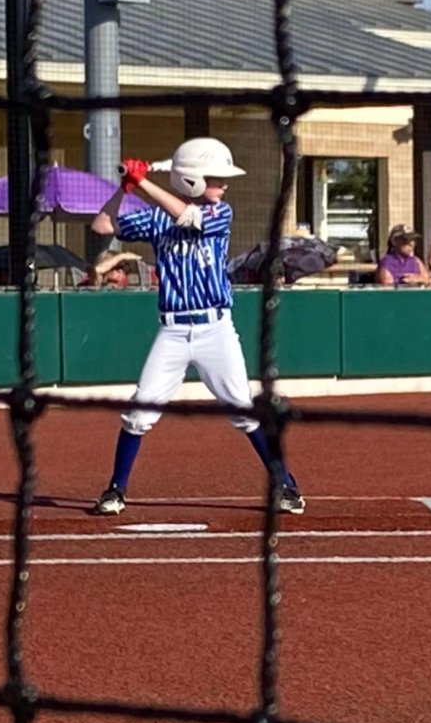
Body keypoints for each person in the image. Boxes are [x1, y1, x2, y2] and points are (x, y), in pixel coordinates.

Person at [89, 136, 305, 517]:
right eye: (215, 178)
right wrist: (123, 189)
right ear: (192, 180)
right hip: (172, 330)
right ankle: (116, 490)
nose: (223, 185)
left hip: (215, 329)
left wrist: (143, 183)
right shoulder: (156, 218)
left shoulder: (220, 212)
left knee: (243, 410)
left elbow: (188, 218)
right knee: (139, 414)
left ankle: (286, 485)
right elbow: (102, 224)